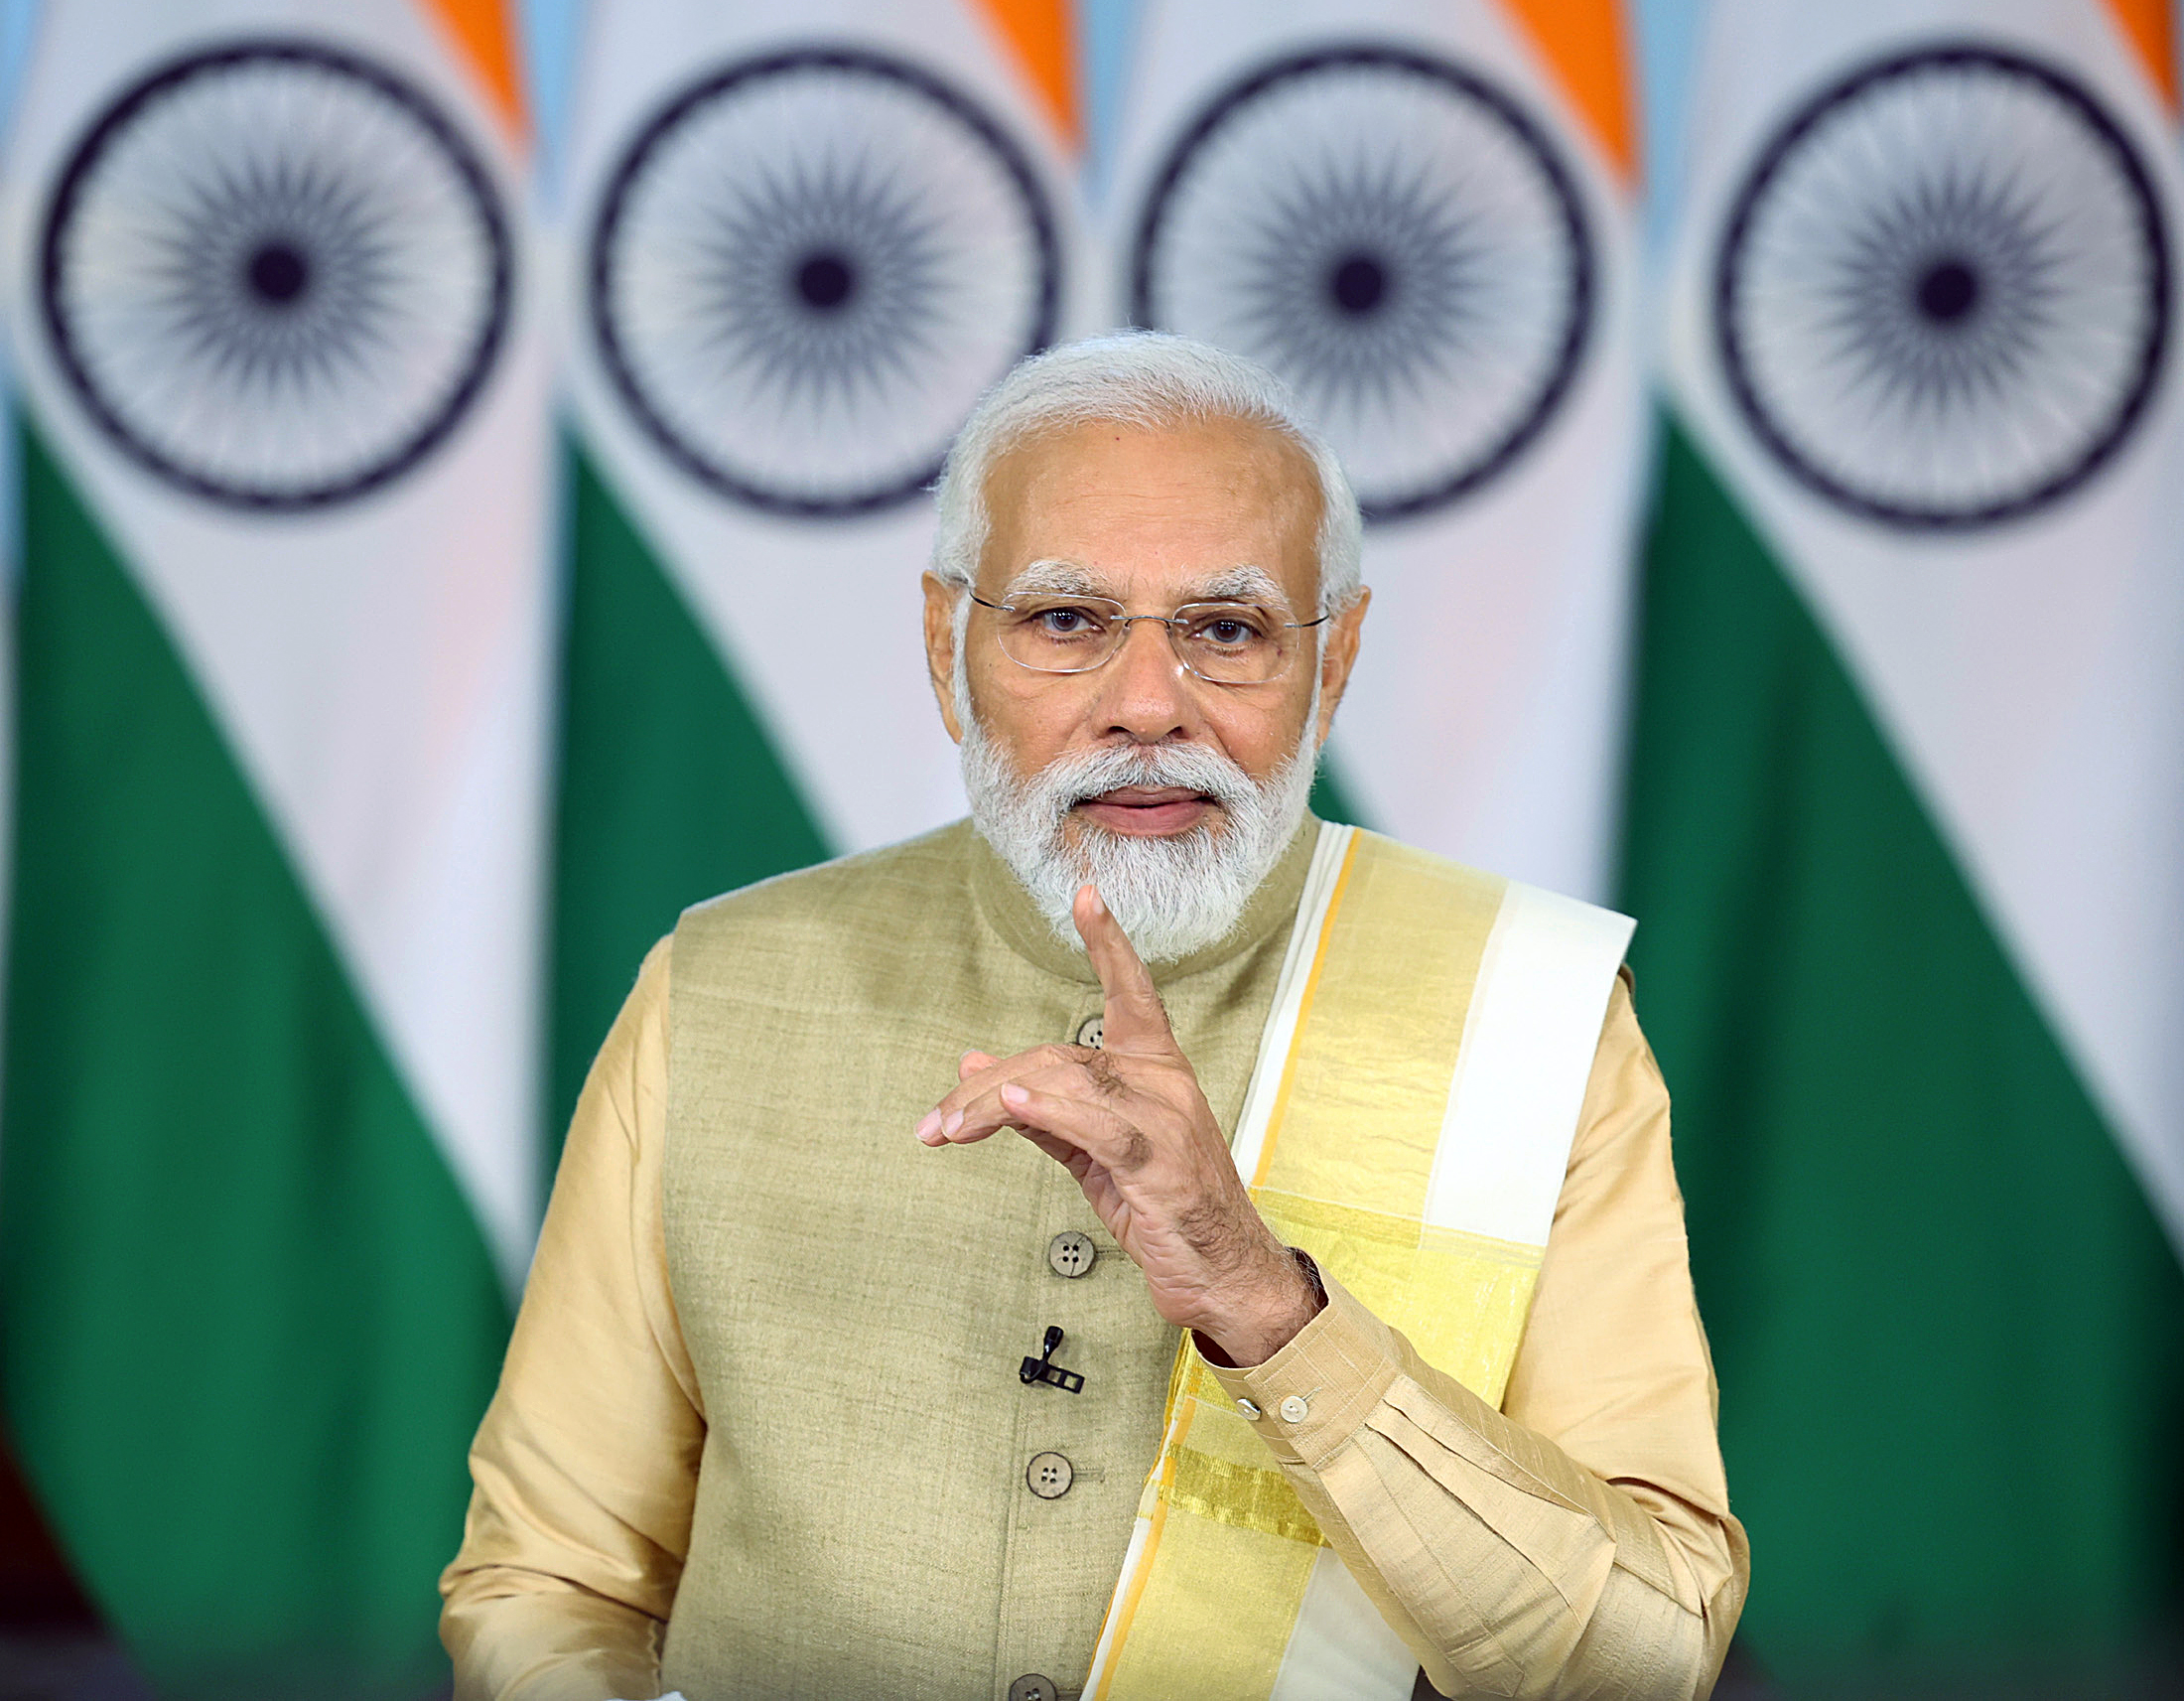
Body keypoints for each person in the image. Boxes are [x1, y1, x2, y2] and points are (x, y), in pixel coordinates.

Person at [440, 334, 1748, 1701]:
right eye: (1066, 621)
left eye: (1226, 630)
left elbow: (1643, 1660)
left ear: (1337, 659)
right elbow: (550, 1583)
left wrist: (1265, 1299)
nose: (1143, 706)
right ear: (947, 645)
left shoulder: (1534, 1021)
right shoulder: (716, 988)